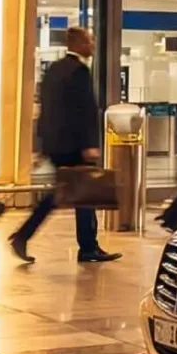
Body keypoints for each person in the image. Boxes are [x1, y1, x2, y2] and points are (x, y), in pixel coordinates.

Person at [10, 27, 117, 265]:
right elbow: (84, 112)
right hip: (75, 145)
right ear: (78, 44)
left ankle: (83, 245)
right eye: (89, 41)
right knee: (83, 193)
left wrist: (42, 145)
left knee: (66, 193)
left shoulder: (54, 71)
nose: (92, 45)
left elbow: (45, 110)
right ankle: (86, 247)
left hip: (57, 144)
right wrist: (90, 144)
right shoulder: (79, 71)